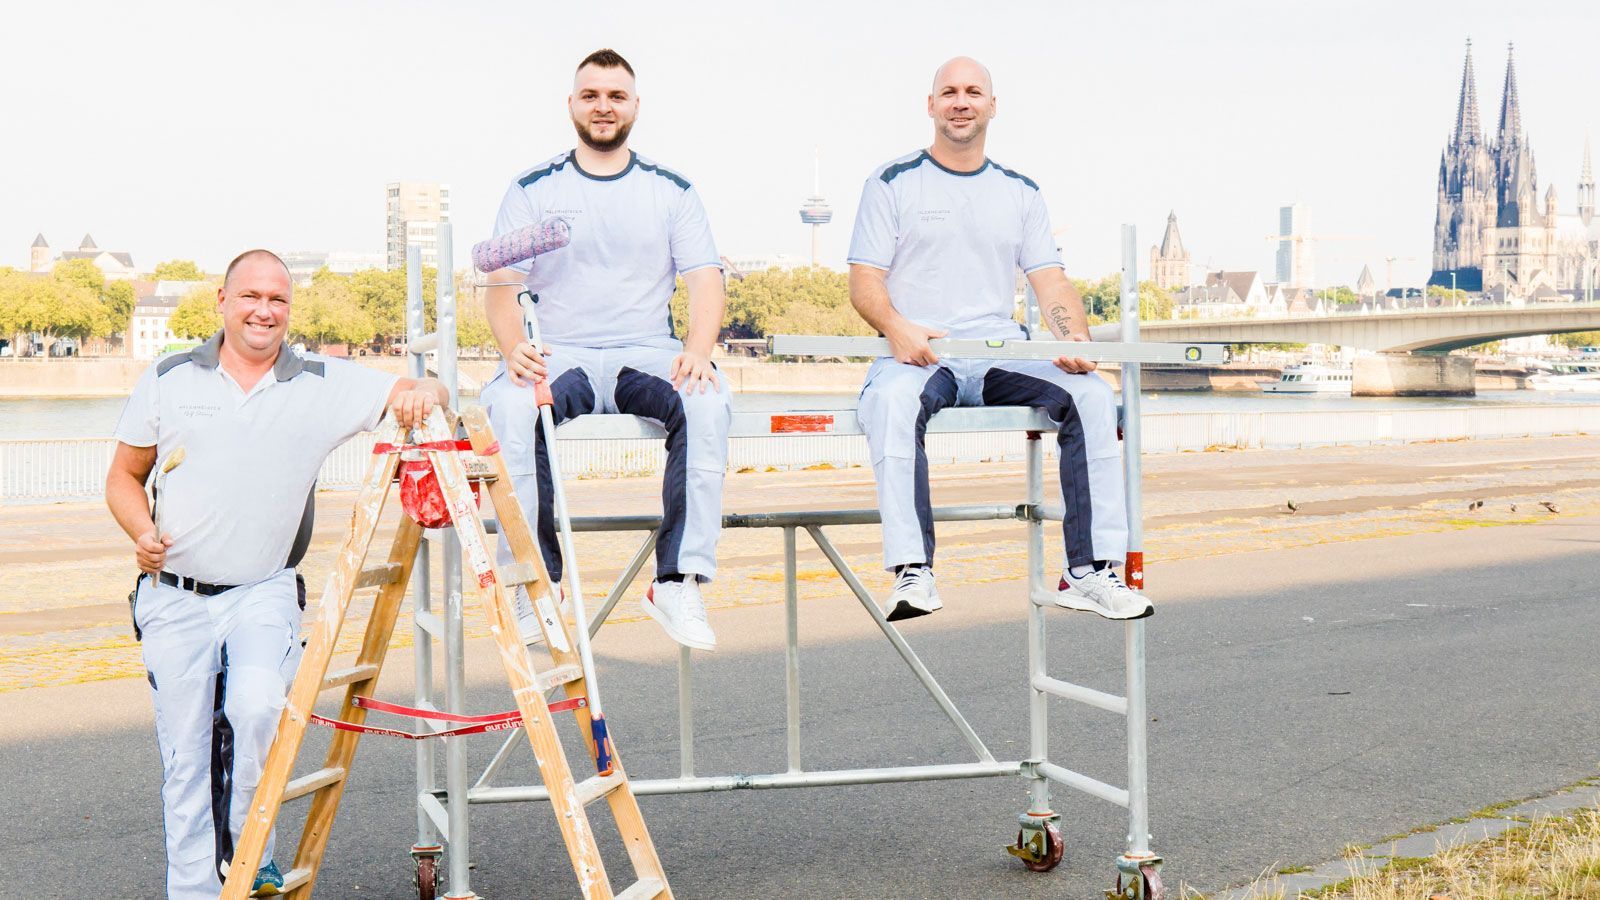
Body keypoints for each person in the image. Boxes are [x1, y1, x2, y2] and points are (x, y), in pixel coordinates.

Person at [105, 249, 448, 898]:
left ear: (290, 309)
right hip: (173, 597)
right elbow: (123, 478)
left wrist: (427, 390)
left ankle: (249, 852)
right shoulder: (169, 377)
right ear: (223, 302)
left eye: (278, 299)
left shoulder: (321, 382)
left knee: (257, 706)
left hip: (263, 591)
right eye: (251, 296)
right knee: (185, 764)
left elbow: (415, 390)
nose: (264, 310)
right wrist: (141, 534)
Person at [847, 57, 1152, 623]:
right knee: (891, 401)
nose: (961, 102)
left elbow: (1050, 281)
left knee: (1089, 394)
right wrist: (897, 327)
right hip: (922, 351)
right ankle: (913, 571)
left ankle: (1088, 571)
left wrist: (1074, 338)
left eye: (973, 92)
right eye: (949, 92)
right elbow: (864, 281)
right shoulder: (891, 182)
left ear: (992, 105)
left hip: (996, 351)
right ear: (931, 104)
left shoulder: (1020, 192)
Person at [481, 48, 731, 652]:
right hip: (557, 349)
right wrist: (513, 348)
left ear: (635, 107)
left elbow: (705, 277)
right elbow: (500, 284)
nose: (603, 106)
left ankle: (678, 581)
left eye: (615, 96)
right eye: (591, 95)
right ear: (571, 104)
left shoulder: (670, 190)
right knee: (512, 409)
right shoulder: (534, 188)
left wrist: (699, 349)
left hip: (642, 352)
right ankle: (536, 584)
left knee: (706, 401)